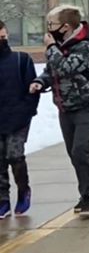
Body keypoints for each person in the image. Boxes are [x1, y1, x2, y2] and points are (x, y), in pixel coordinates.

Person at [28, 5, 89, 217]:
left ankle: (88, 195)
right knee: (73, 152)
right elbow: (52, 70)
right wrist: (40, 82)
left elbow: (66, 67)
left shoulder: (83, 46)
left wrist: (51, 48)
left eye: (52, 24)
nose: (49, 29)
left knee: (80, 148)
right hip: (64, 106)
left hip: (85, 105)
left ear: (66, 26)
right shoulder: (60, 45)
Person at [0, 20, 39, 218]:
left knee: (14, 155)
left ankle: (23, 191)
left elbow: (32, 89)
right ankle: (3, 200)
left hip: (18, 118)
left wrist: (27, 111)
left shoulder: (20, 60)